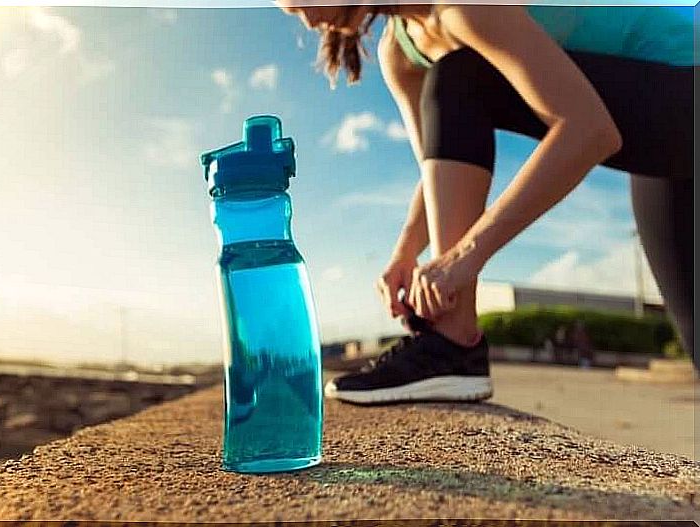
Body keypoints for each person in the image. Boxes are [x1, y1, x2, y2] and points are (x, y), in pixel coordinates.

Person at [277, 3, 696, 404]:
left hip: (683, 82)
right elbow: (438, 170)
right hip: (663, 150)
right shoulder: (399, 53)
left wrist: (464, 257)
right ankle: (451, 343)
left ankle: (454, 340)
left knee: (458, 74)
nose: (308, 20)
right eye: (292, 14)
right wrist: (406, 252)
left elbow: (589, 132)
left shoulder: (464, 7)